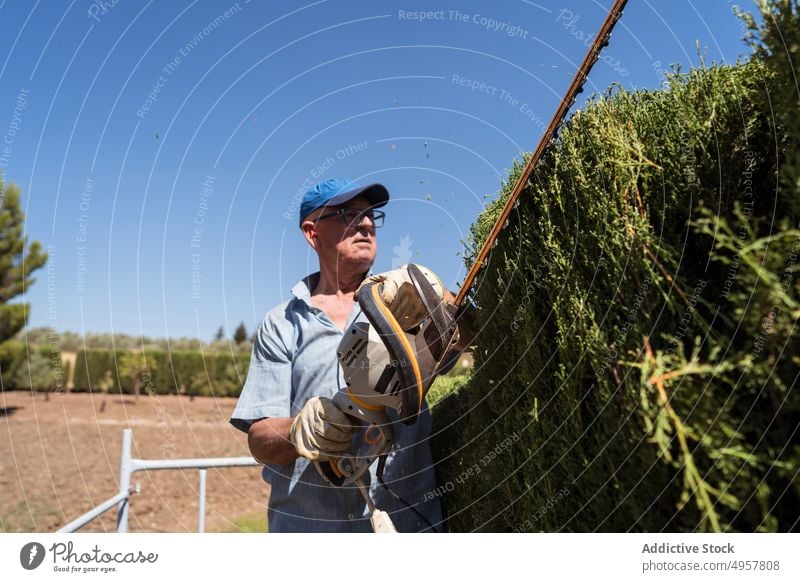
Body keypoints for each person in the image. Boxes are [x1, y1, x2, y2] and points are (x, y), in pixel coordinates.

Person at [230, 178, 467, 532]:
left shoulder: (400, 301)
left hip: (407, 525)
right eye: (349, 214)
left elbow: (468, 336)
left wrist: (438, 298)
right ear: (312, 233)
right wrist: (299, 431)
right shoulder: (282, 323)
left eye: (371, 215)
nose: (367, 223)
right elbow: (260, 437)